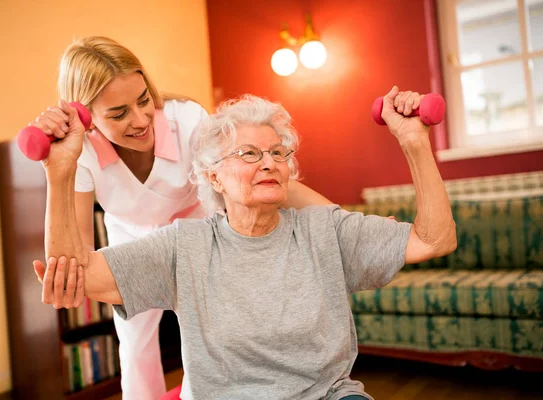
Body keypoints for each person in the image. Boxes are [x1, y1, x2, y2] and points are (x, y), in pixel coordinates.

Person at [34, 88, 457, 399]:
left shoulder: (324, 229)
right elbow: (79, 274)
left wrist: (415, 141)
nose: (270, 162)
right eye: (249, 154)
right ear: (213, 175)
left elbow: (434, 240)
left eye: (278, 153)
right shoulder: (185, 247)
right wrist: (60, 171)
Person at [29, 36, 334, 399]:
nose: (141, 119)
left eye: (143, 100)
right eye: (118, 113)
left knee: (214, 334)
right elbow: (74, 257)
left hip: (200, 229)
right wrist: (57, 167)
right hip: (132, 237)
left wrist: (337, 220)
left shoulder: (187, 119)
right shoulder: (82, 151)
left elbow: (253, 177)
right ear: (86, 116)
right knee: (134, 344)